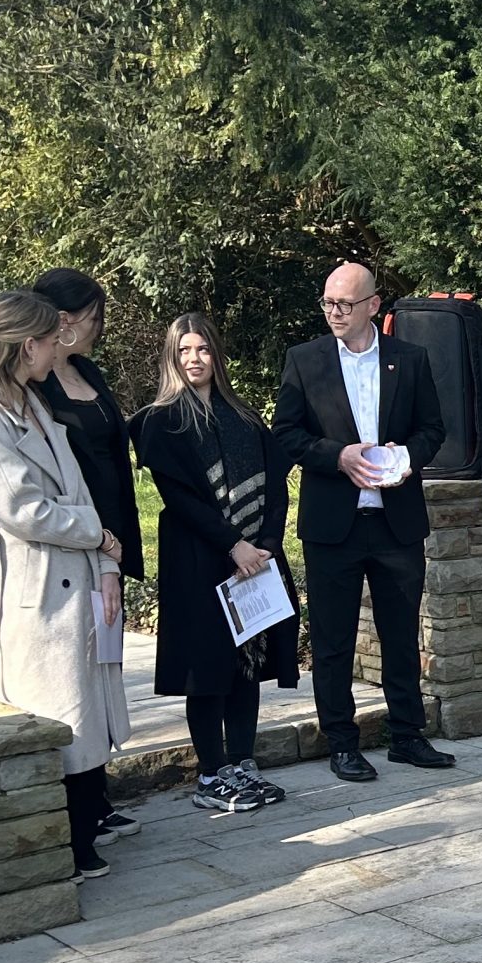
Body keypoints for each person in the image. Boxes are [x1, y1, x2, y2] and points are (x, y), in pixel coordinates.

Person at [0, 289, 131, 882]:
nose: (59, 349)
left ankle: (85, 825)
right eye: (52, 340)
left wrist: (104, 556)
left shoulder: (29, 402)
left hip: (70, 572)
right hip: (28, 581)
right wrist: (97, 535)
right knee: (53, 704)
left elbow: (74, 487)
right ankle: (65, 842)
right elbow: (24, 511)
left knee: (82, 702)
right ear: (28, 346)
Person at [271, 260, 455, 781]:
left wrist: (405, 458)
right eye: (328, 302)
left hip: (396, 522)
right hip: (334, 525)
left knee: (401, 635)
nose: (334, 312)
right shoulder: (304, 360)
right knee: (333, 641)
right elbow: (286, 433)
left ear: (373, 305)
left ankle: (408, 736)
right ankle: (341, 743)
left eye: (345, 304)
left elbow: (432, 428)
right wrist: (338, 456)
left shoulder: (409, 359)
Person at [138, 314, 300, 816]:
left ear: (217, 355)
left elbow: (276, 486)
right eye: (184, 350)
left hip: (255, 561)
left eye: (203, 349)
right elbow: (181, 499)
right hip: (199, 558)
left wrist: (265, 543)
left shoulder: (244, 417)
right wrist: (234, 545)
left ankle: (242, 764)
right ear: (172, 356)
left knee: (246, 665)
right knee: (207, 667)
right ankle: (211, 773)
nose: (194, 359)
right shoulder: (160, 422)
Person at [31, 266, 144, 843]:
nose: (99, 328)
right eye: (95, 317)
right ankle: (80, 802)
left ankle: (98, 797)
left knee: (106, 664)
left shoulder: (88, 371)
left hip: (111, 531)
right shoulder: (34, 389)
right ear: (65, 320)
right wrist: (94, 540)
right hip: (77, 539)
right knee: (78, 668)